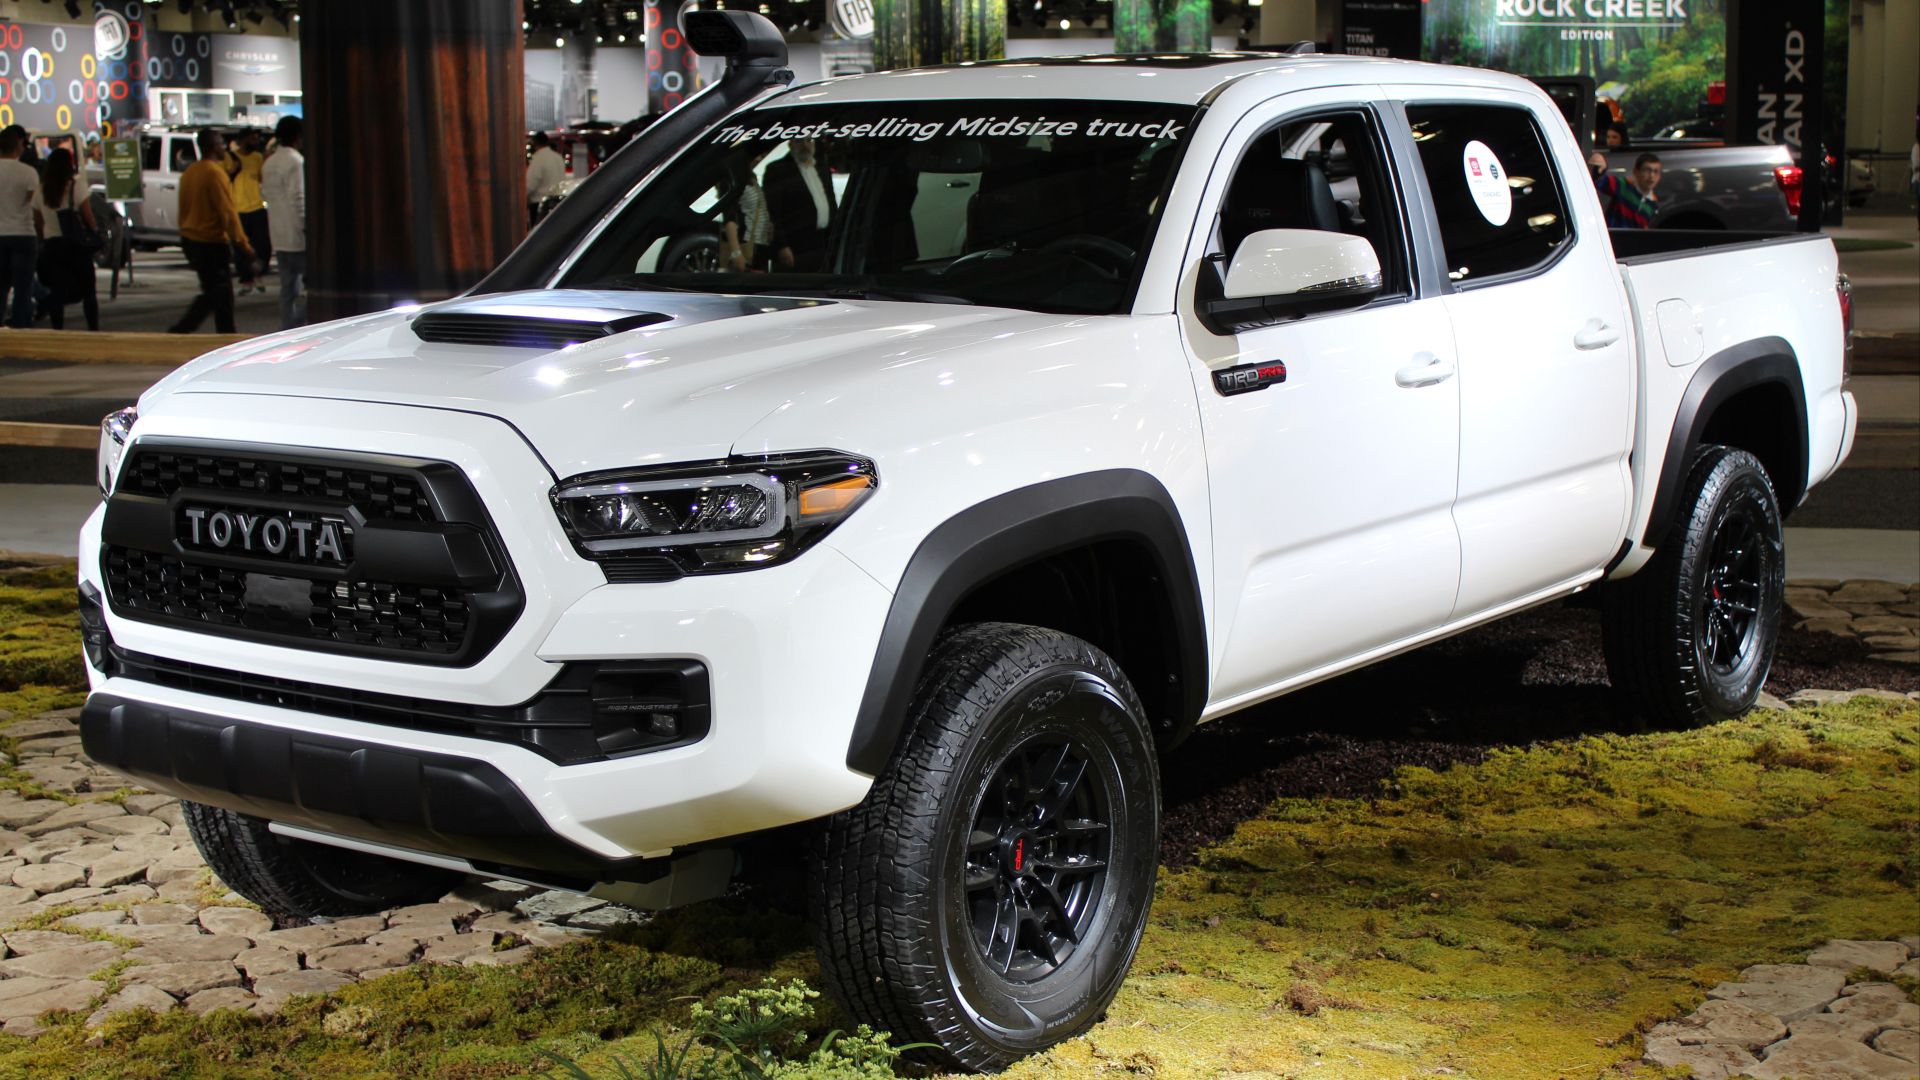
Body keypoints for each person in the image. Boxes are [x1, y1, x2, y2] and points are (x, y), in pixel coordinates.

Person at [170, 128, 252, 334]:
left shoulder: (190, 172)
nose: (225, 147)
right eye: (221, 143)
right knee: (219, 294)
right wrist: (243, 244)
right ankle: (186, 330)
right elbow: (228, 214)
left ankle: (221, 334)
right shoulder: (215, 174)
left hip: (190, 239)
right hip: (210, 242)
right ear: (213, 147)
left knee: (216, 293)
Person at [30, 148, 99, 331]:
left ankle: (57, 329)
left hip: (52, 246)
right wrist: (95, 232)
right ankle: (93, 330)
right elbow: (87, 214)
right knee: (88, 290)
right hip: (75, 245)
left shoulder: (41, 189)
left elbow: (38, 221)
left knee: (56, 290)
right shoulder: (76, 186)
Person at [763, 138, 835, 272]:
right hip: (794, 247)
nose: (805, 145)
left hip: (822, 243)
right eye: (800, 141)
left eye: (809, 140)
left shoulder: (822, 168)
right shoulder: (778, 170)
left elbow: (831, 203)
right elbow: (772, 213)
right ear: (790, 144)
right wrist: (781, 246)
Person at [261, 115, 306, 328]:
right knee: (312, 288)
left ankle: (286, 329)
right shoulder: (296, 161)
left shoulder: (269, 162)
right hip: (297, 237)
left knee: (287, 288)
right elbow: (298, 198)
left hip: (277, 235)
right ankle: (298, 328)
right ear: (298, 136)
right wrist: (305, 226)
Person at [0, 129, 39, 328]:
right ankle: (21, 328)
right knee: (23, 289)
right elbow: (33, 203)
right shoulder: (28, 172)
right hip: (23, 234)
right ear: (19, 146)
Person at [225, 128, 270, 292]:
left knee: (262, 246)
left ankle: (258, 275)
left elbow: (261, 179)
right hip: (238, 210)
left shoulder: (258, 158)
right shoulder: (230, 157)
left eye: (257, 139)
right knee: (241, 248)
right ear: (242, 140)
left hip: (257, 207)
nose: (256, 142)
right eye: (252, 139)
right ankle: (246, 279)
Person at [1590, 150, 1661, 229]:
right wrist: (1600, 167)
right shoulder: (1623, 185)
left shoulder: (1654, 205)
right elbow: (1600, 181)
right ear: (1636, 172)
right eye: (1647, 170)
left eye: (1656, 171)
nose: (1651, 176)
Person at [526, 132, 566, 225]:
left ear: (535, 143)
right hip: (558, 202)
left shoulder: (538, 159)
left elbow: (531, 184)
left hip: (540, 205)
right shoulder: (558, 157)